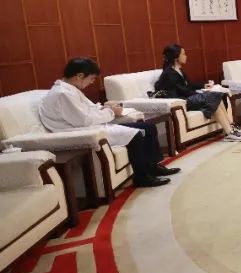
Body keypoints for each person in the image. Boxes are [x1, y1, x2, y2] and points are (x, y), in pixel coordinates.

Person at [40, 58, 178, 188]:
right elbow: (85, 119)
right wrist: (111, 112)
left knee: (149, 127)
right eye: (91, 78)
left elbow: (88, 110)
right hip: (81, 131)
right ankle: (142, 178)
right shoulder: (63, 94)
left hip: (90, 126)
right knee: (136, 135)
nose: (91, 82)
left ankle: (153, 167)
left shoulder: (70, 90)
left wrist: (105, 107)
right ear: (79, 76)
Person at [155, 44, 241, 142]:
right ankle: (229, 132)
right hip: (182, 101)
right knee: (213, 97)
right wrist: (201, 94)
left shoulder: (179, 70)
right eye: (183, 54)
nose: (186, 56)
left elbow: (190, 85)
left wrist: (204, 86)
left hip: (188, 97)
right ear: (176, 57)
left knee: (217, 96)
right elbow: (183, 91)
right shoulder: (169, 73)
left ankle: (230, 128)